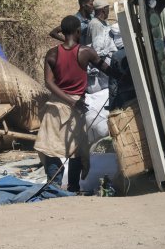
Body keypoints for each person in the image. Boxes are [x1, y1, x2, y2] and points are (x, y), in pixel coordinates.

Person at [35, 15, 119, 191]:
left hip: (55, 106)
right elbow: (107, 69)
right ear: (79, 32)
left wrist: (67, 100)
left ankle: (54, 186)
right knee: (76, 151)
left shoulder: (52, 53)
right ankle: (72, 188)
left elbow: (49, 83)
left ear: (63, 32)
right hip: (76, 106)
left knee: (49, 148)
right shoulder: (85, 52)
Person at [87, 0, 116, 93]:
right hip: (101, 62)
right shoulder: (96, 24)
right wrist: (110, 52)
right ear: (103, 9)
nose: (109, 11)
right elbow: (96, 50)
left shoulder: (103, 22)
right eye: (108, 9)